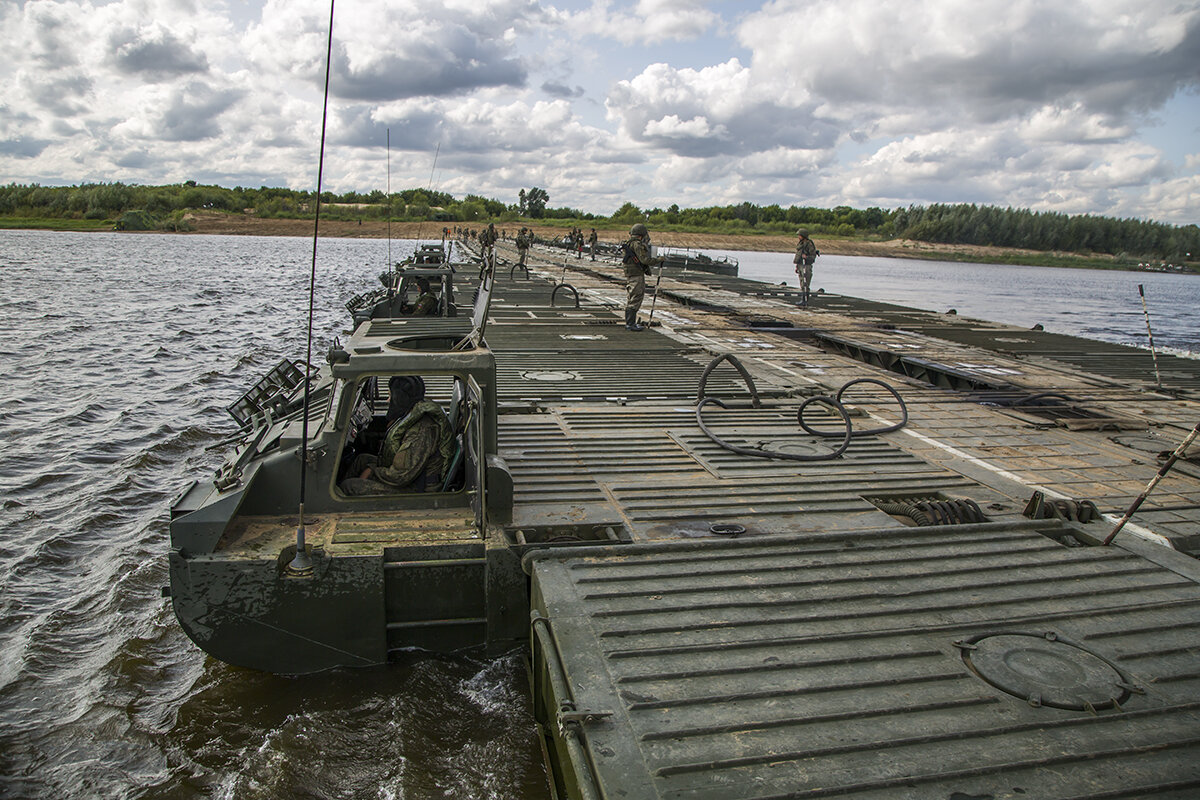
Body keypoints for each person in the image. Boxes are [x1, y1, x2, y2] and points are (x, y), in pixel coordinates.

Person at [340, 376, 455, 495]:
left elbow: (401, 476)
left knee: (349, 486)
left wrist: (373, 472)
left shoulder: (421, 431)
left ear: (400, 398)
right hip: (412, 476)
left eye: (390, 396)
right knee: (361, 460)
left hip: (418, 487)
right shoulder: (411, 413)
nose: (388, 400)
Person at [621, 223, 663, 331]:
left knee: (632, 297)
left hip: (631, 274)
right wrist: (658, 260)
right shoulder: (637, 244)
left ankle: (630, 323)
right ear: (641, 235)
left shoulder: (629, 244)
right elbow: (644, 260)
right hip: (636, 274)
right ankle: (630, 324)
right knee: (636, 297)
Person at [794, 228, 818, 304]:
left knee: (806, 283)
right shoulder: (800, 244)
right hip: (801, 265)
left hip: (806, 266)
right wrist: (797, 267)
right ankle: (803, 298)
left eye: (799, 235)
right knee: (802, 283)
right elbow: (798, 256)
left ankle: (805, 299)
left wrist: (807, 257)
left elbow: (813, 256)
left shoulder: (809, 244)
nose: (798, 237)